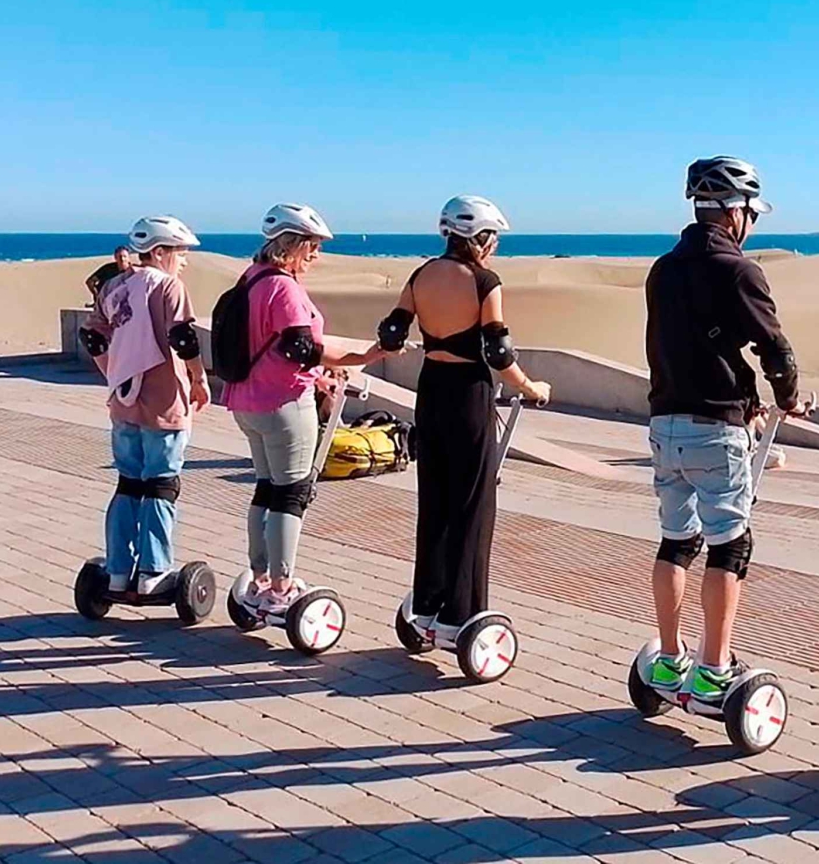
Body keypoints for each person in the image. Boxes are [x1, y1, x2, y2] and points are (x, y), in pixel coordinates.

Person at [644, 157, 804, 707]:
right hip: (715, 429)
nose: (751, 224)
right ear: (736, 212)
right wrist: (789, 398)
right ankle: (713, 672)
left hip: (663, 424)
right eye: (752, 214)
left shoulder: (663, 269)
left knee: (677, 540)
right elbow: (775, 350)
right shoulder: (739, 271)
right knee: (731, 546)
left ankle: (669, 660)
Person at [377, 196, 551, 639]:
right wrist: (530, 387)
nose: (495, 247)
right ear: (479, 238)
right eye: (493, 238)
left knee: (434, 499)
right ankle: (462, 611)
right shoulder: (485, 282)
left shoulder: (420, 275)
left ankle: (428, 600)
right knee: (473, 503)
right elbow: (499, 352)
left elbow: (392, 332)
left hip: (430, 390)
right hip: (468, 394)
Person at [224, 203, 396, 613]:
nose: (317, 255)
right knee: (291, 494)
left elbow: (272, 346)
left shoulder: (251, 278)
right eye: (313, 246)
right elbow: (301, 347)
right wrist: (364, 356)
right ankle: (281, 588)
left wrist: (318, 376)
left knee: (267, 489)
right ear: (292, 245)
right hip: (283, 404)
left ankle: (259, 578)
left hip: (246, 401)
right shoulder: (284, 288)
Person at [81, 217, 208, 595]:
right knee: (161, 485)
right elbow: (183, 337)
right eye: (180, 253)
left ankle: (118, 570)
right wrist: (199, 378)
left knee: (129, 483)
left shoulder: (114, 286)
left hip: (124, 400)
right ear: (160, 251)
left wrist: (112, 370)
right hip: (164, 400)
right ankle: (153, 572)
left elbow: (92, 336)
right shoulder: (169, 287)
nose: (184, 261)